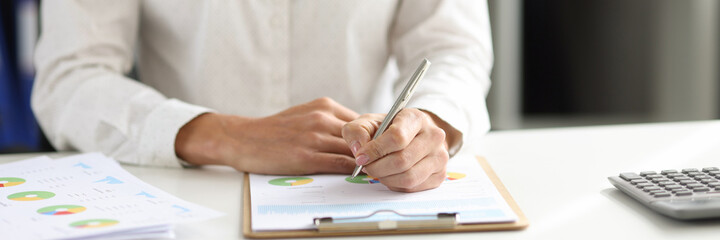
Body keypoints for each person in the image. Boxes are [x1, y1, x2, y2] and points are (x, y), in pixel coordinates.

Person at [32, 1, 492, 193]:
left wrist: (428, 123)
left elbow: (453, 50)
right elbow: (69, 76)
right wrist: (224, 136)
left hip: (365, 196)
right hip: (186, 194)